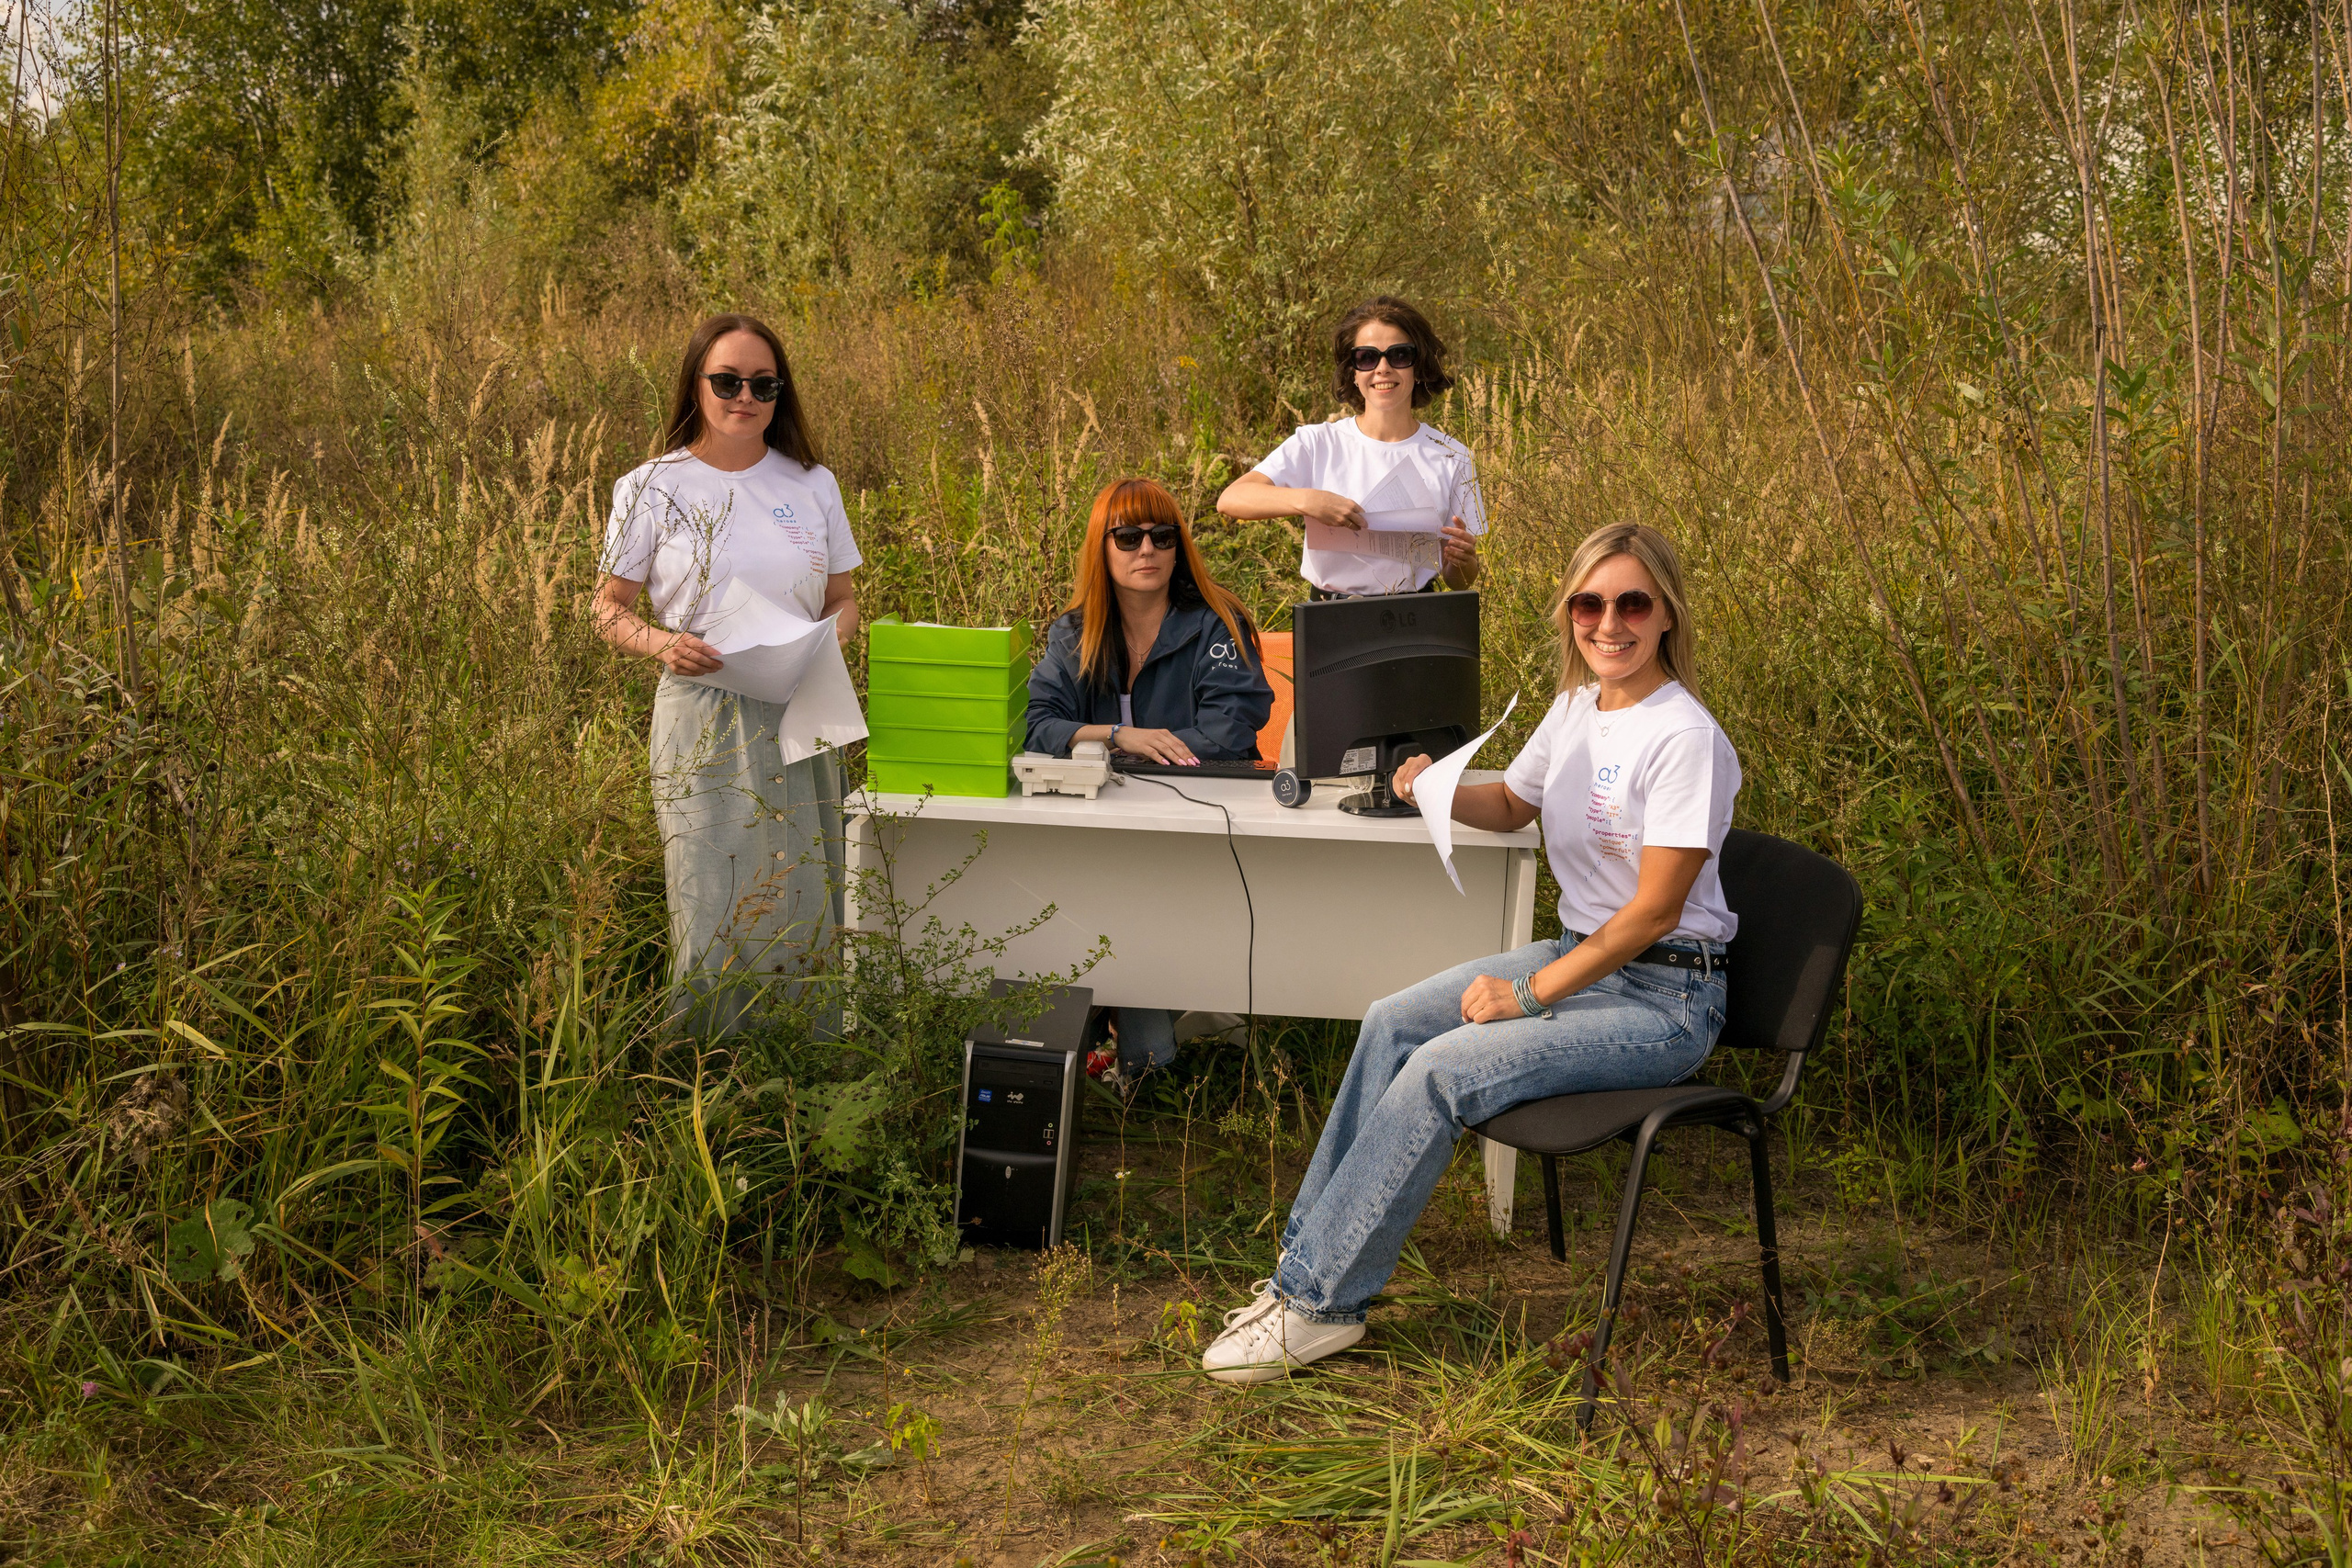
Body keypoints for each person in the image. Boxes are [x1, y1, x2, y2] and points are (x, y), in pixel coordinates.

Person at [1200, 522, 1739, 1383]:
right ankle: (1301, 1267)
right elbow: (1515, 804)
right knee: (1391, 1021)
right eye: (1589, 604)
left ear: (1667, 613)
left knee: (1441, 1069)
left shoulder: (1685, 737)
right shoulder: (1577, 707)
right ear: (1569, 613)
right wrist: (1436, 784)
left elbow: (1652, 913)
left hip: (1665, 1001)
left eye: (1633, 603)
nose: (1609, 624)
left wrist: (1530, 994)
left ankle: (1321, 1306)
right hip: (1585, 957)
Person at [591, 313, 862, 1037]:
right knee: (713, 890)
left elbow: (843, 599)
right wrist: (662, 645)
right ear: (695, 385)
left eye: (764, 385)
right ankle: (711, 1062)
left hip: (804, 700)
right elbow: (607, 609)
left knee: (806, 882)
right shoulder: (651, 486)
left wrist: (827, 640)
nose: (746, 396)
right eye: (728, 381)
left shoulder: (813, 483)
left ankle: (808, 1056)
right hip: (702, 709)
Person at [1026, 477, 1275, 1084]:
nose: (1147, 549)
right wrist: (1119, 735)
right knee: (1067, 886)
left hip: (1203, 823)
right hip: (1103, 827)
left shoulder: (1216, 623)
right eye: (1129, 537)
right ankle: (1077, 1056)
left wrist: (1118, 755)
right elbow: (1037, 724)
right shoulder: (1075, 632)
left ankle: (1146, 1070)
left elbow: (1230, 731)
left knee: (1134, 889)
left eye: (1163, 536)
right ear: (1102, 546)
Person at [1215, 296, 1484, 601]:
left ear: (1419, 366)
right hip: (1330, 614)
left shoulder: (1454, 455)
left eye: (1399, 355)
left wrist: (1463, 563)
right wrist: (1309, 501)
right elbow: (1232, 499)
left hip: (1415, 615)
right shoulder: (1317, 443)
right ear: (1353, 372)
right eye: (1367, 358)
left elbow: (1459, 582)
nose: (1383, 368)